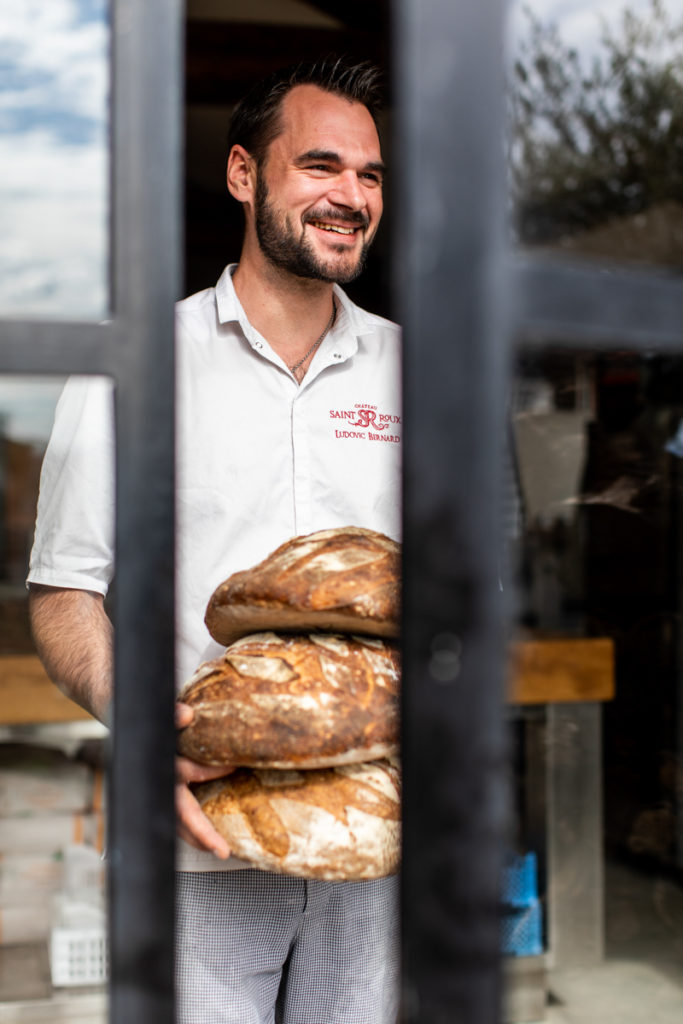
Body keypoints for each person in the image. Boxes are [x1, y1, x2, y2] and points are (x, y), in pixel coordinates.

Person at [27, 58, 401, 1023]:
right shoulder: (132, 360)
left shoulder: (414, 371)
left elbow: (462, 594)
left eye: (368, 175)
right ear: (243, 174)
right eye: (319, 166)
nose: (351, 196)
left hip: (372, 840)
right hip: (199, 839)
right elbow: (66, 591)